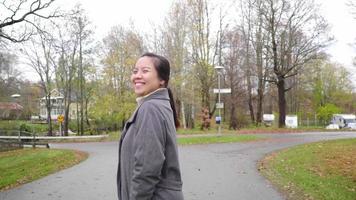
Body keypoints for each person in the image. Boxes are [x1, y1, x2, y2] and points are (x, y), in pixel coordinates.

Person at [117, 52, 184, 200]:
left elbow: (147, 167)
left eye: (145, 71)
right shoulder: (157, 105)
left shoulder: (150, 108)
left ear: (162, 79)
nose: (137, 76)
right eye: (135, 71)